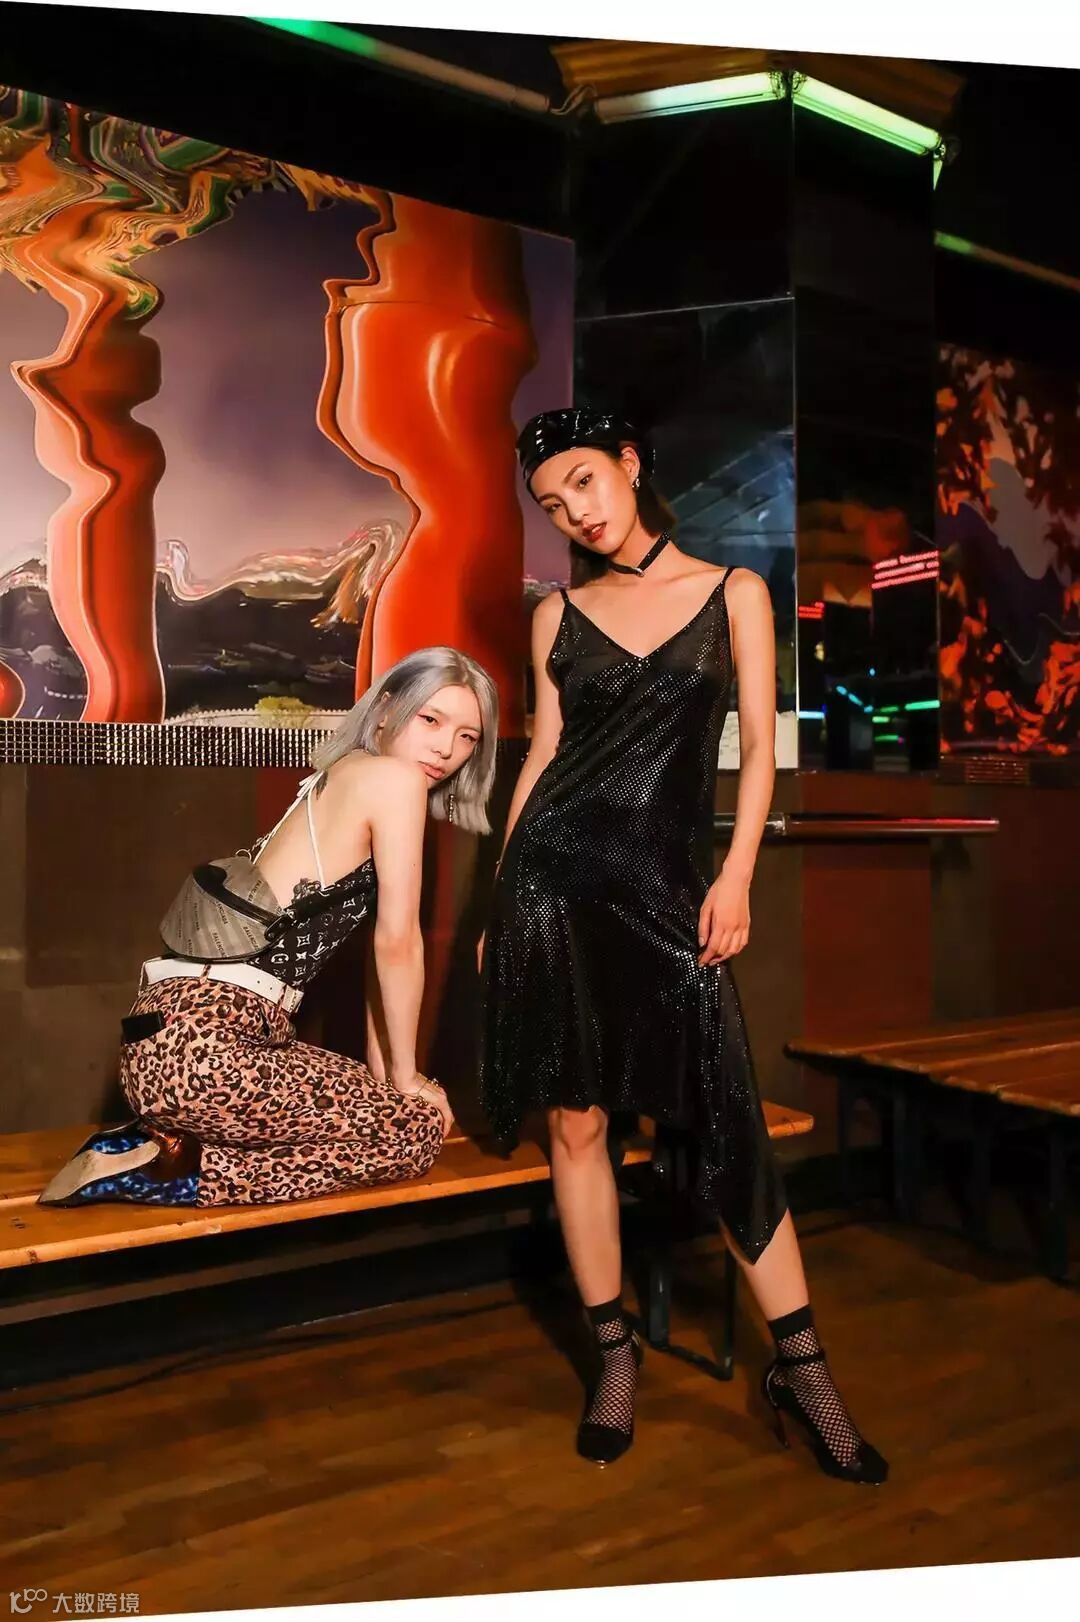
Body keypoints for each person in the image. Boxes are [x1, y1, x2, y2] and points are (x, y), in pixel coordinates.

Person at [478, 408, 887, 1484]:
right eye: (551, 503)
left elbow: (755, 749)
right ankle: (613, 1355)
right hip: (553, 887)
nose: (574, 511)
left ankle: (804, 1370)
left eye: (583, 481)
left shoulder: (734, 593)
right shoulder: (558, 613)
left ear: (628, 465)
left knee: (728, 1119)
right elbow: (543, 756)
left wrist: (737, 872)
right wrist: (499, 901)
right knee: (575, 1122)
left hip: (668, 894)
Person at [41, 646, 498, 1210]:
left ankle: (157, 1144)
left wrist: (391, 1077)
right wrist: (405, 1080)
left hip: (170, 1047)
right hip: (209, 1049)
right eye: (431, 720)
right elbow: (398, 942)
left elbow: (378, 961)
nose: (446, 749)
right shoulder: (394, 780)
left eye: (468, 737)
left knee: (403, 1114)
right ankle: (173, 1169)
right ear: (385, 710)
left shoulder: (338, 775)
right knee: (416, 1133)